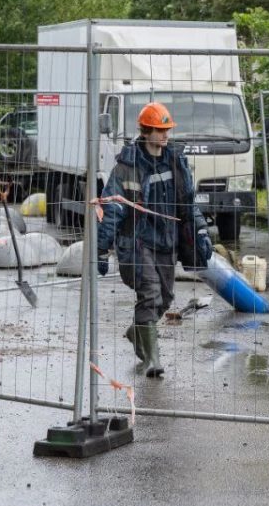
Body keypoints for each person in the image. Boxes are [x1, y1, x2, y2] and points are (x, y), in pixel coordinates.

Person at [95, 101, 212, 378]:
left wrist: (201, 231)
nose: (165, 135)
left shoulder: (176, 161)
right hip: (137, 242)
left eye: (167, 130)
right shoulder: (127, 167)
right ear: (145, 132)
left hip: (167, 240)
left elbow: (187, 203)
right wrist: (101, 248)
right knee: (149, 292)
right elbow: (111, 209)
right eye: (159, 130)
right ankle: (152, 360)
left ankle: (138, 333)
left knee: (166, 297)